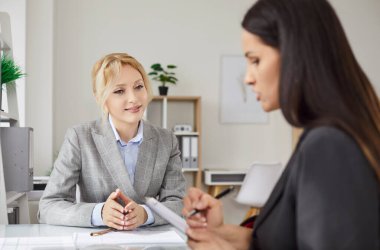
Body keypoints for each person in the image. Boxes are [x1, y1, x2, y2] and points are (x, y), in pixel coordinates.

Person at [182, 0, 380, 249]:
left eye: (255, 60)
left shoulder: (329, 144)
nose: (247, 78)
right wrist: (222, 233)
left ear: (295, 55)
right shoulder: (322, 136)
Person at [39, 52, 186, 230]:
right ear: (101, 98)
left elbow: (178, 204)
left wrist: (145, 214)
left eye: (139, 86)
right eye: (119, 91)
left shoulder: (166, 140)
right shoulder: (80, 137)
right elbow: (48, 207)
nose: (133, 98)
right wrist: (100, 213)